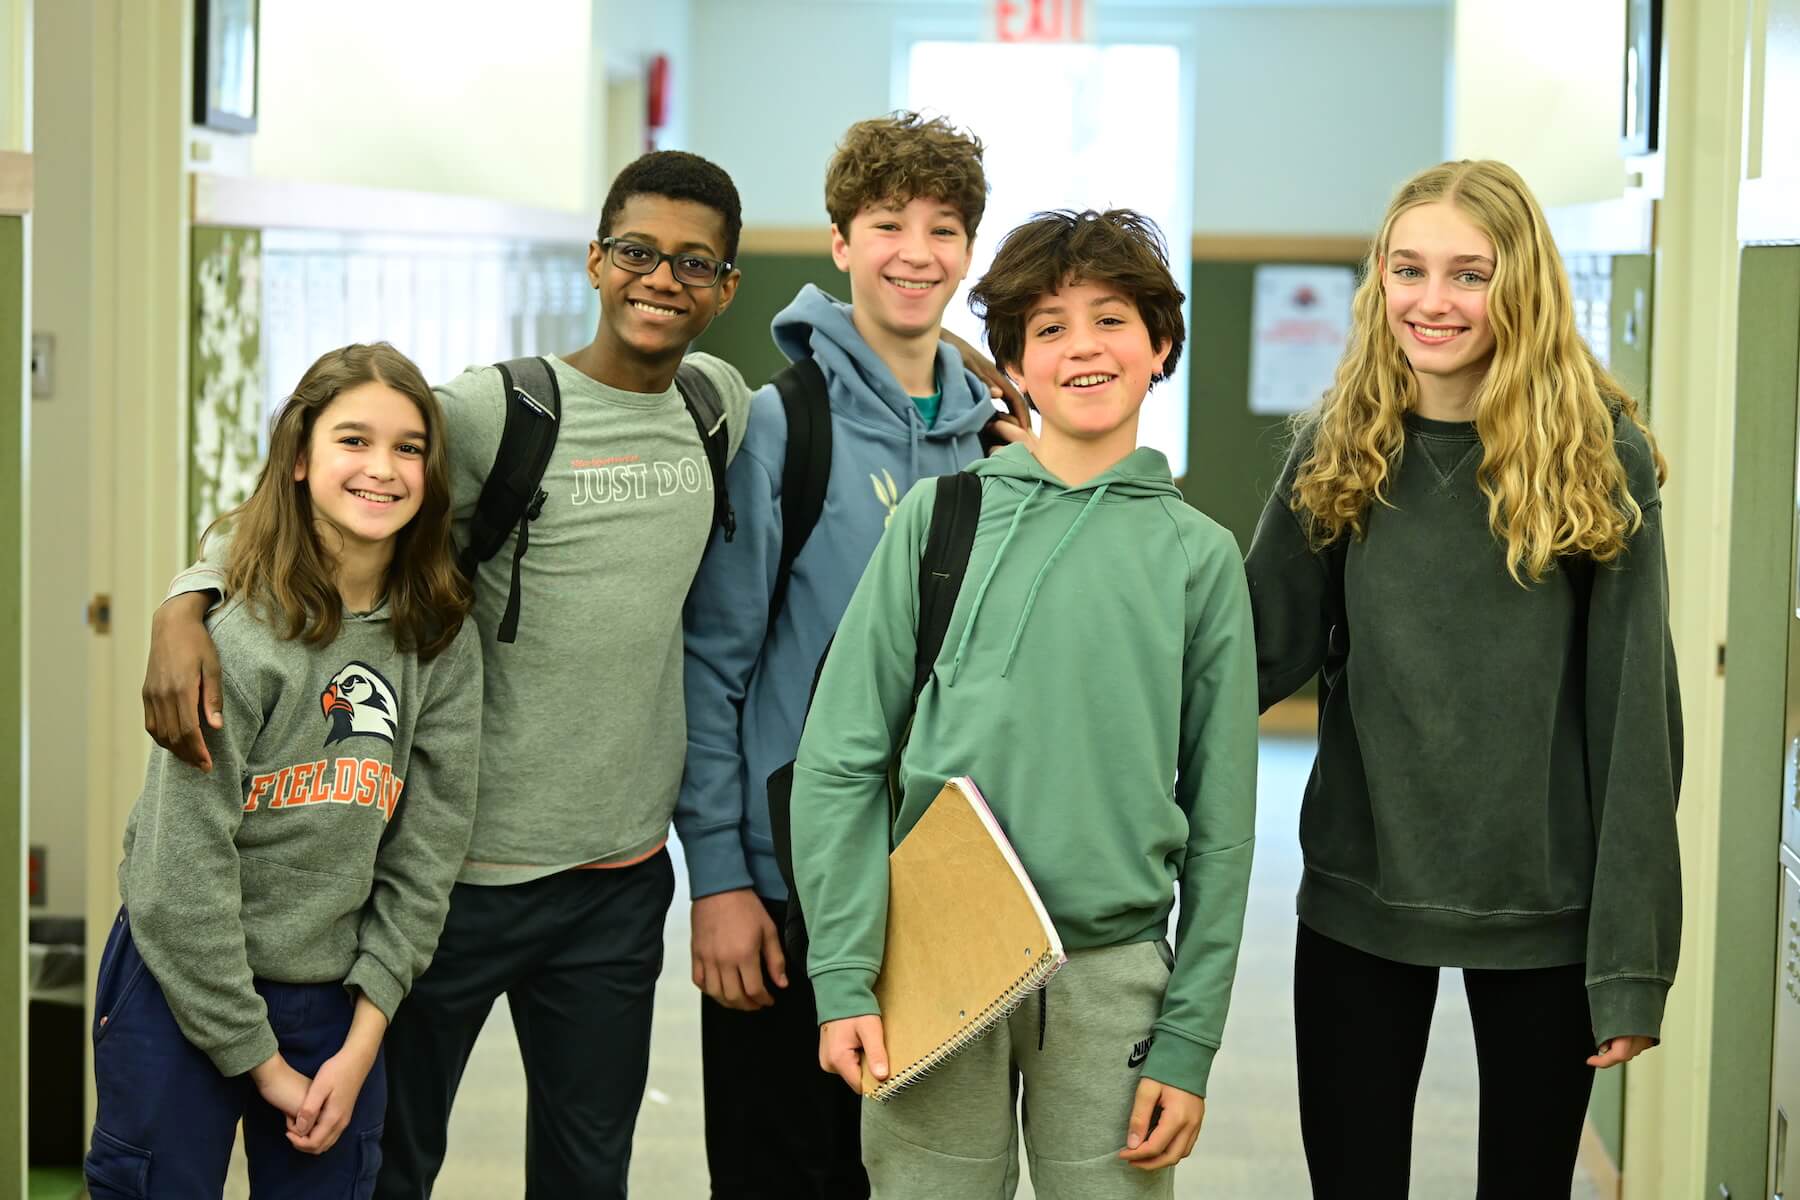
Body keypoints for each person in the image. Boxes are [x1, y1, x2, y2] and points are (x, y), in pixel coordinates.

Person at [141, 151, 755, 1198]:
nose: (665, 279)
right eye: (640, 253)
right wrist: (185, 598)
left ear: (726, 287)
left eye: (696, 263)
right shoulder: (494, 412)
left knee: (586, 1174)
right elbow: (332, 484)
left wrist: (978, 364)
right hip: (452, 878)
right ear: (597, 263)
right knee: (390, 1166)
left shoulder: (718, 407)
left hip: (616, 880)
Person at [790, 208, 1259, 1198]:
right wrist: (842, 974)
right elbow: (840, 757)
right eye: (1048, 327)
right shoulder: (939, 520)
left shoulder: (1199, 557)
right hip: (928, 951)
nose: (1082, 346)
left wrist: (1189, 1035)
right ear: (1014, 361)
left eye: (1110, 320)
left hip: (1113, 972)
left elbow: (1224, 821)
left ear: (1161, 344)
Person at [1245, 159, 1683, 1197]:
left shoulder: (1595, 455)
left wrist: (1629, 963)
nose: (1432, 301)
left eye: (1469, 274)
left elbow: (1636, 723)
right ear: (1378, 281)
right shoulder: (1336, 445)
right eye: (1409, 269)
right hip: (1362, 894)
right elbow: (1251, 653)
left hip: (1544, 907)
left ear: (1520, 285)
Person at [676, 110, 1016, 1200]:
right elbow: (715, 667)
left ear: (971, 250)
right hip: (790, 891)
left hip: (944, 889)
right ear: (840, 242)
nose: (916, 252)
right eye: (887, 223)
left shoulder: (995, 442)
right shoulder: (785, 427)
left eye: (944, 228)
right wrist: (723, 882)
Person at [85, 343, 481, 1199]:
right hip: (179, 978)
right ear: (300, 459)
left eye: (408, 447)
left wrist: (362, 1040)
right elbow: (178, 875)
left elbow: (425, 859)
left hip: (333, 999)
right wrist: (261, 1064)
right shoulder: (238, 635)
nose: (382, 469)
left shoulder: (440, 638)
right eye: (353, 441)